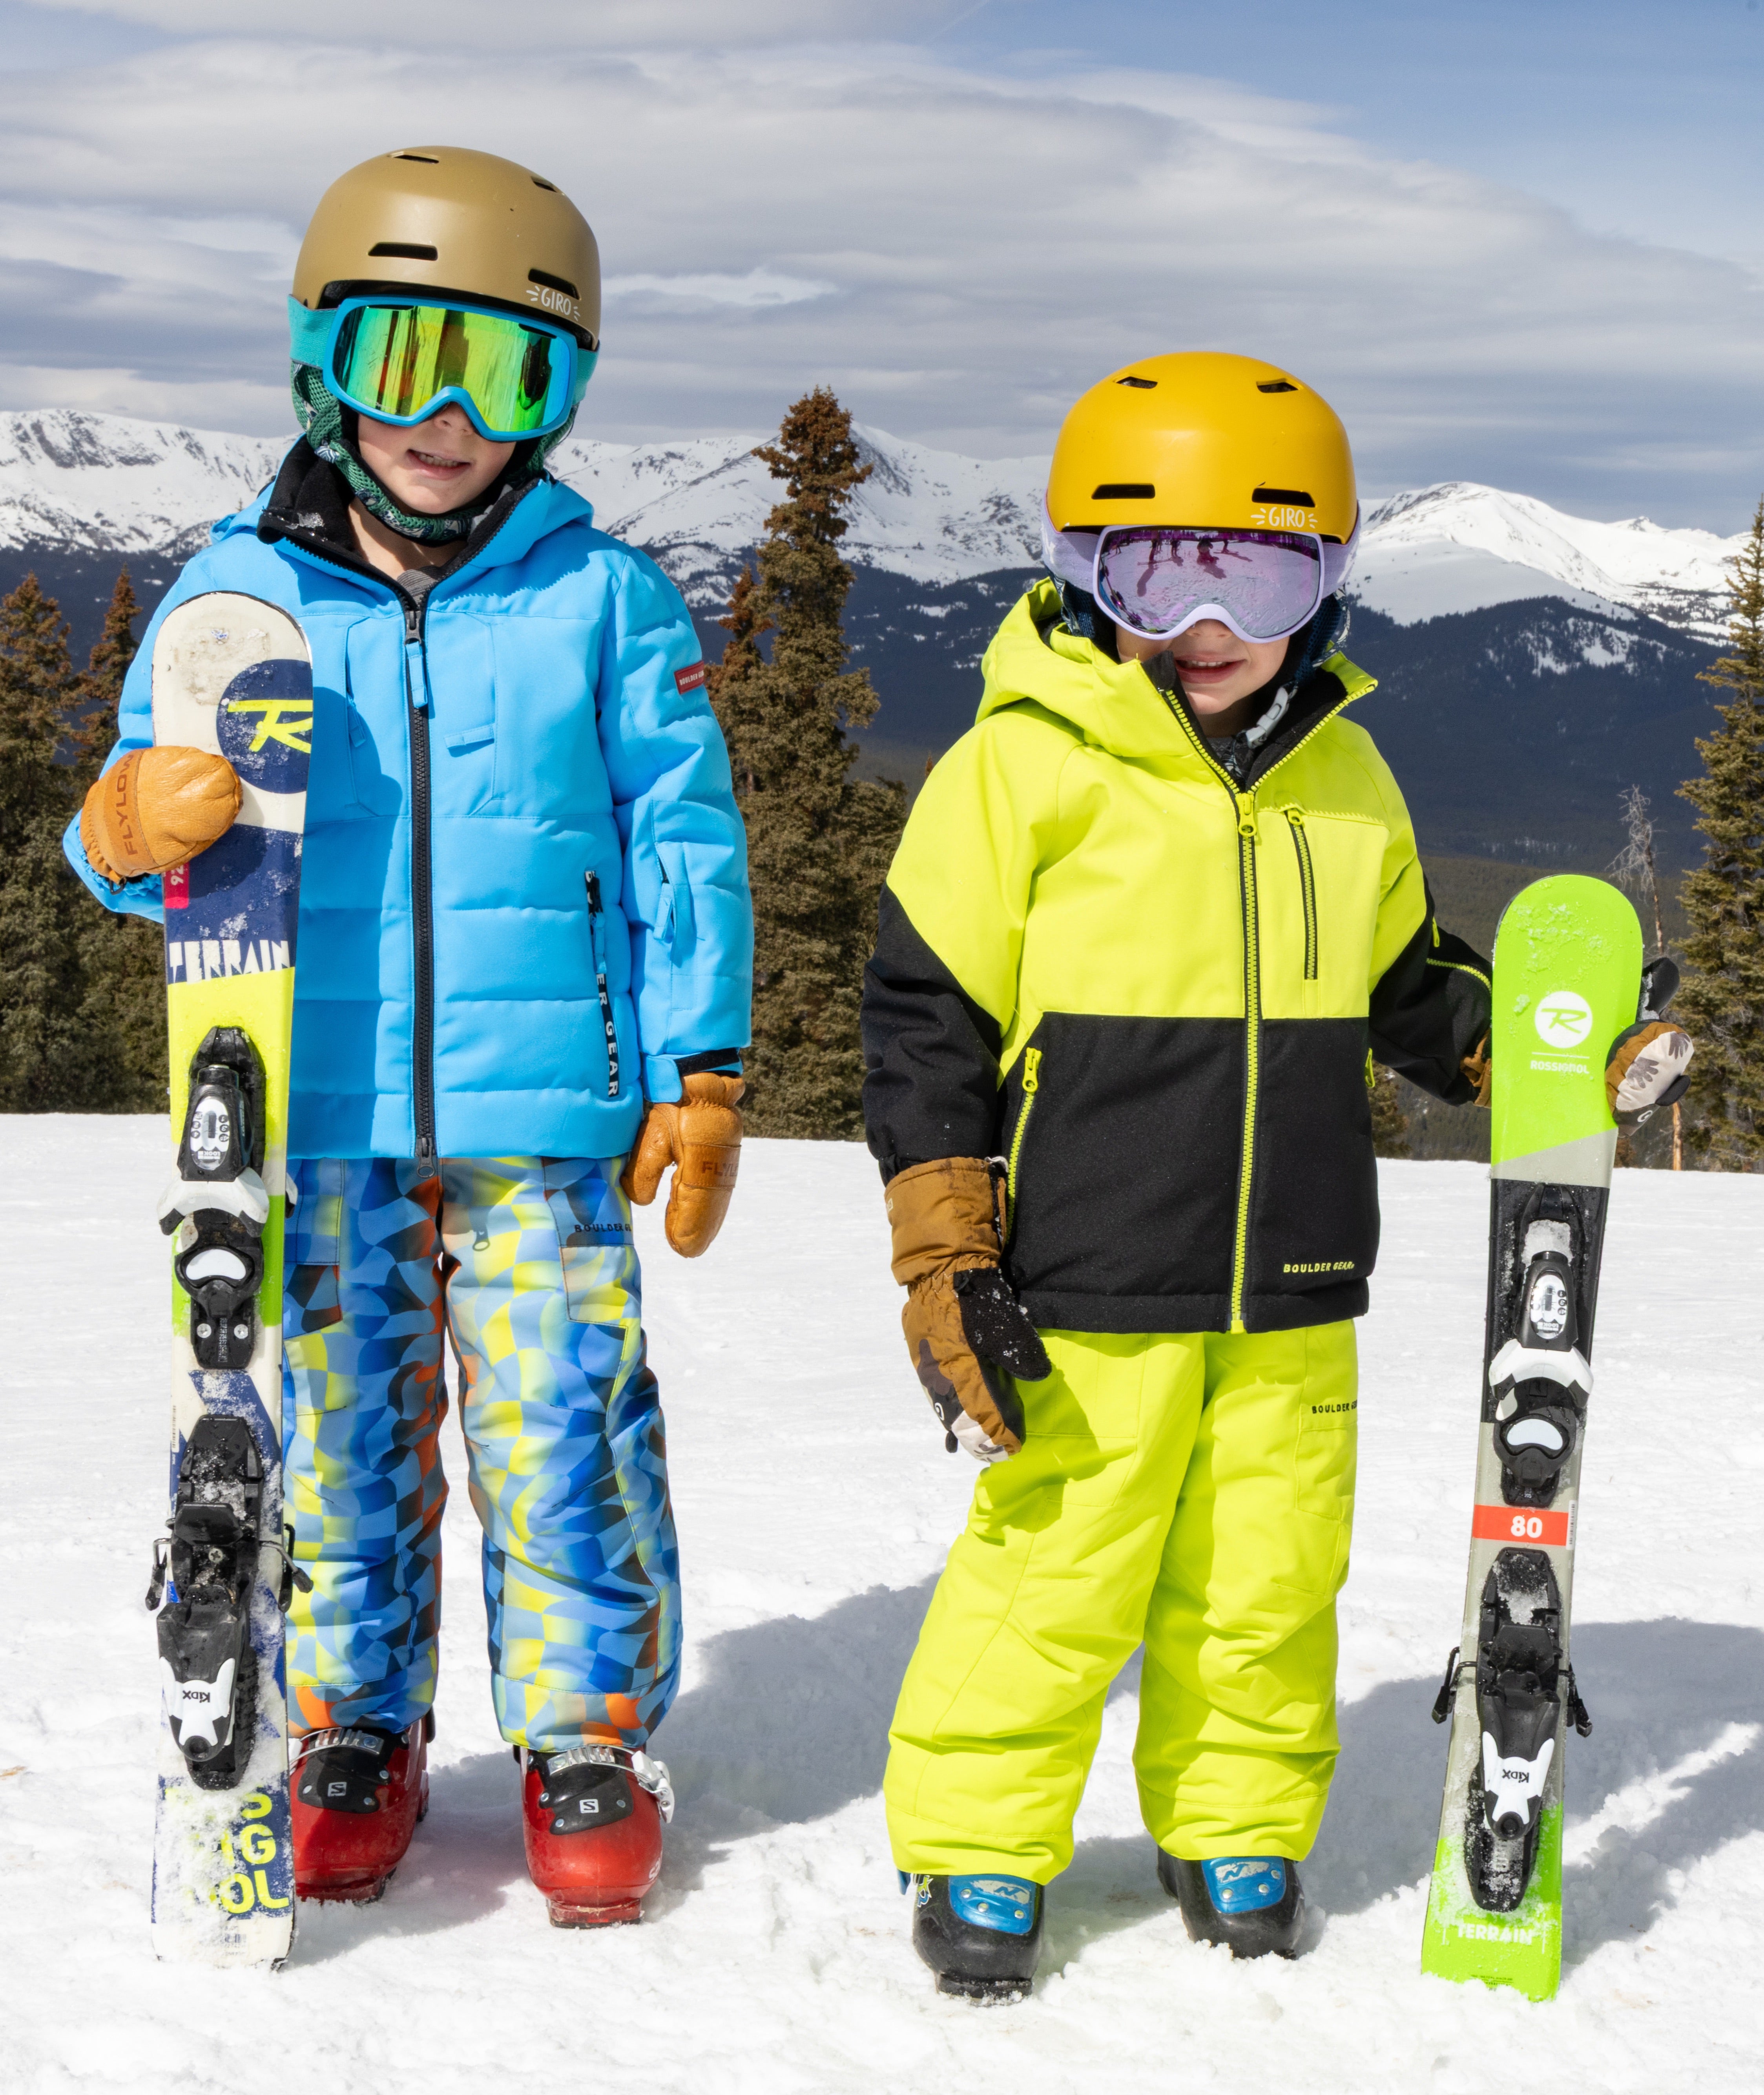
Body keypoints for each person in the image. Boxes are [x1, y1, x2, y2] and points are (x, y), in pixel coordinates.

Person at [67, 146, 752, 1926]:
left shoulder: (605, 600)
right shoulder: (237, 595)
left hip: (550, 1124)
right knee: (343, 1437)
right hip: (319, 1106)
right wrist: (136, 827)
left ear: (562, 401)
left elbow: (682, 845)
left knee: (561, 1432)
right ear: (324, 365)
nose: (448, 416)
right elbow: (133, 833)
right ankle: (352, 1726)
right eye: (402, 362)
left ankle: (585, 1735)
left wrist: (701, 1068)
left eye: (506, 373)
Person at [861, 350, 1486, 1998]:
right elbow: (923, 1017)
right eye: (1154, 573)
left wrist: (1529, 1046)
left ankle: (1232, 1820)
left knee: (1268, 1575)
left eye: (1258, 572)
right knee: (1054, 1571)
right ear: (1082, 574)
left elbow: (1408, 980)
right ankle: (984, 1842)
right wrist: (947, 1254)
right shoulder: (1020, 767)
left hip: (1291, 1279)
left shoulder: (1344, 774)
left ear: (1329, 580)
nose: (1205, 624)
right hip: (1081, 1273)